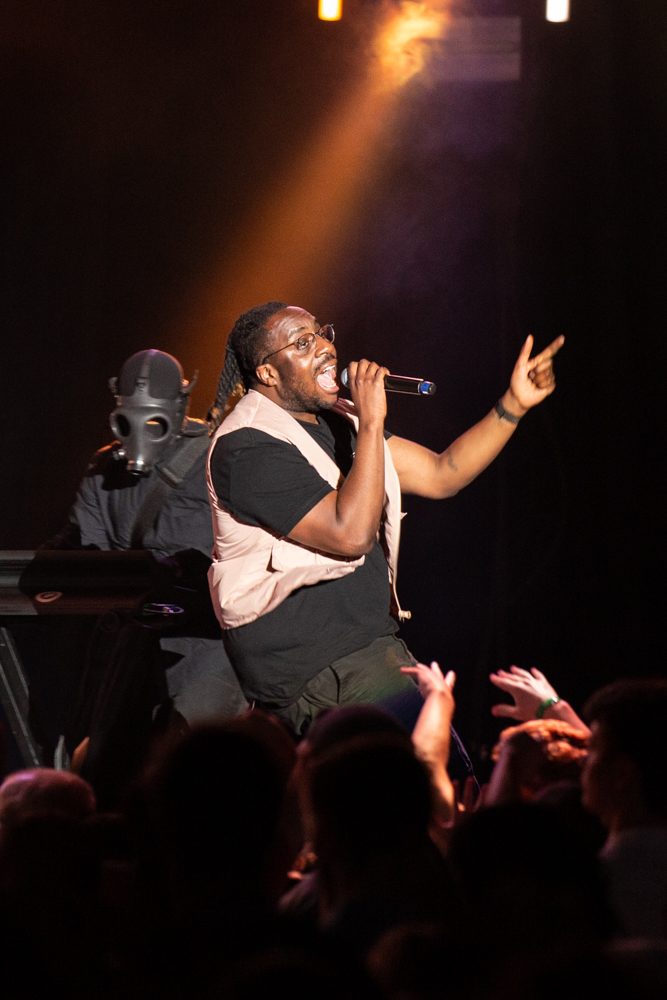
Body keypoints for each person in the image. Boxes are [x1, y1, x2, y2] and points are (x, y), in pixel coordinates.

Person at [206, 302, 564, 734]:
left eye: (321, 333)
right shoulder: (246, 445)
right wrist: (372, 420)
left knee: (436, 765)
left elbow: (442, 473)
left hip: (366, 648)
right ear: (267, 373)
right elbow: (351, 535)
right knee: (427, 768)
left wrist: (513, 405)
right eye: (302, 343)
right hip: (323, 664)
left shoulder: (338, 421)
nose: (325, 347)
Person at [45, 349, 247, 753]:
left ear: (180, 408)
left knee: (188, 760)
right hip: (129, 652)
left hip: (203, 649)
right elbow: (78, 550)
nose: (140, 434)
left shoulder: (220, 460)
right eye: (128, 421)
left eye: (155, 422)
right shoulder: (103, 470)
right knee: (103, 764)